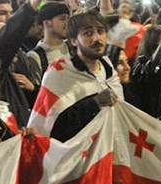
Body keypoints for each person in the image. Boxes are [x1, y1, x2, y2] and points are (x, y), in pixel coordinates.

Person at [28, 9, 123, 142]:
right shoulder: (60, 73)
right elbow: (52, 127)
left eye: (101, 31)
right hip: (77, 157)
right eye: (88, 33)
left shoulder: (109, 70)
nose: (97, 38)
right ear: (73, 41)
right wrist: (94, 104)